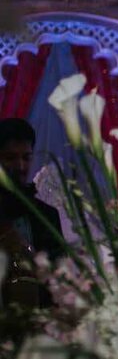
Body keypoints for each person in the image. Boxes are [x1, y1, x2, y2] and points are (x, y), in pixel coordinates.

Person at [0, 118, 64, 306]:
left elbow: (57, 282)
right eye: (10, 158)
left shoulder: (46, 215)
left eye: (26, 158)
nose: (20, 166)